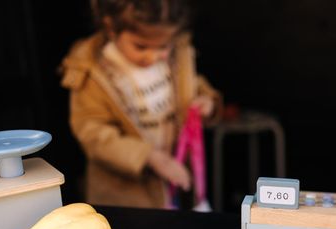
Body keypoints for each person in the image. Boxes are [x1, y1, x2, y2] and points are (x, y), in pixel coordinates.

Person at [60, 0, 222, 211]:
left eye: (163, 46)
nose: (153, 56)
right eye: (141, 46)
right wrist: (148, 156)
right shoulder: (91, 71)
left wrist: (207, 102)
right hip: (125, 197)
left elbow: (192, 85)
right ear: (111, 27)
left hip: (175, 186)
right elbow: (93, 133)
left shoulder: (177, 56)